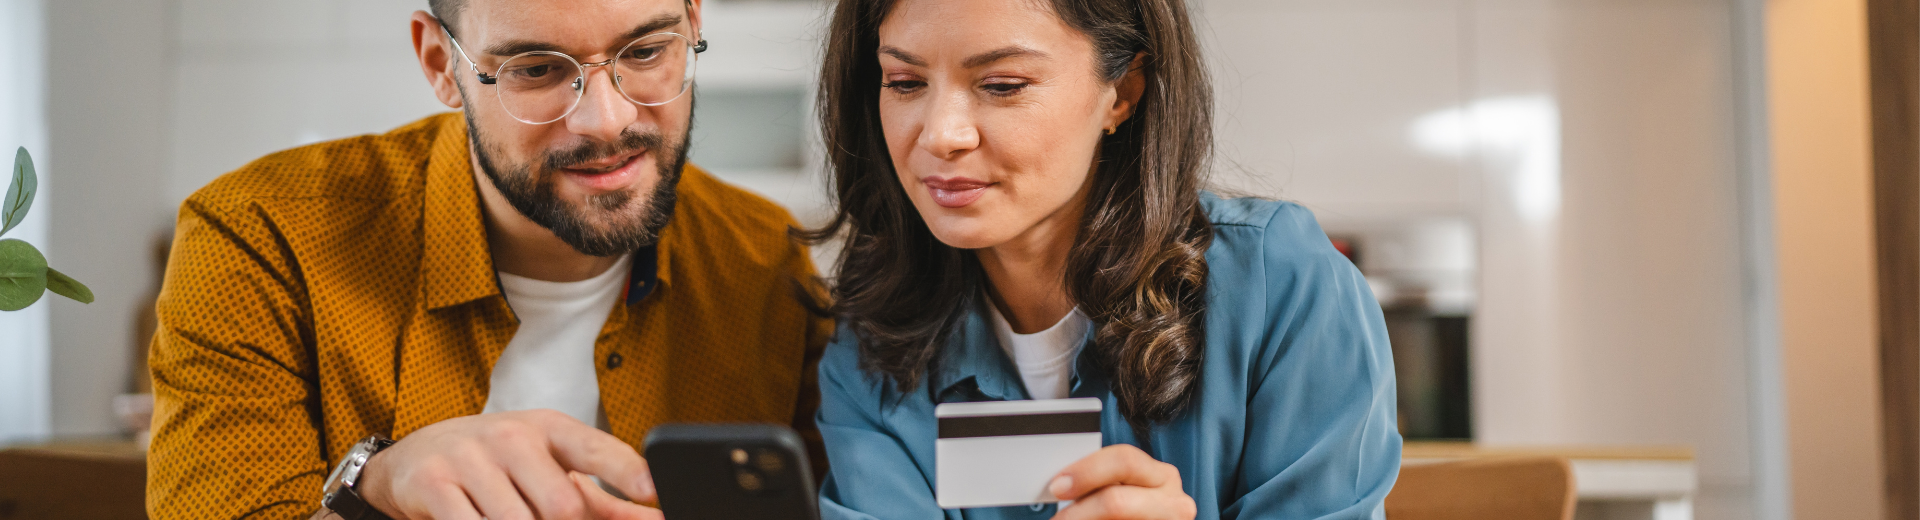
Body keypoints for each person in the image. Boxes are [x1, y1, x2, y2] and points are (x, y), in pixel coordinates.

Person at [145, 0, 833, 518]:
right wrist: (373, 485)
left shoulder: (767, 260)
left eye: (647, 52)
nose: (607, 119)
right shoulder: (260, 237)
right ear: (442, 65)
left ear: (691, 22)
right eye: (536, 69)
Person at [805, 0, 1402, 517]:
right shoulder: (870, 342)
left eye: (1003, 86)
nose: (941, 135)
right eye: (904, 83)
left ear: (1122, 92)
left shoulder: (1283, 286)